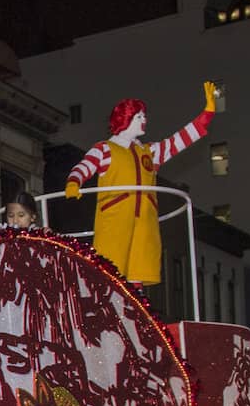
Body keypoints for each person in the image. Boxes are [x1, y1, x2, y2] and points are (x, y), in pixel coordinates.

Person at [64, 83, 218, 286]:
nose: (145, 121)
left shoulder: (150, 152)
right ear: (125, 119)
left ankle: (135, 313)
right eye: (139, 117)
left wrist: (206, 114)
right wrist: (74, 182)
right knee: (111, 270)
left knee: (139, 269)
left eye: (144, 116)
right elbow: (83, 167)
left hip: (144, 220)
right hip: (115, 219)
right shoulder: (106, 149)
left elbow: (179, 140)